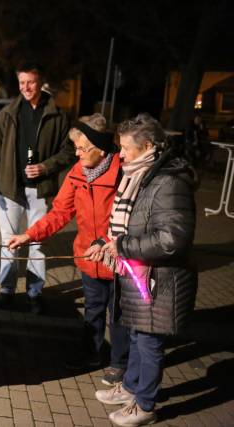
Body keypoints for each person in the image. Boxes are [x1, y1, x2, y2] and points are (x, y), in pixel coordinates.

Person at [91, 114, 197, 427]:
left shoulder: (168, 181)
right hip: (140, 273)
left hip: (159, 279)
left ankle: (145, 405)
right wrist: (108, 244)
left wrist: (122, 246)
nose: (120, 154)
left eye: (125, 148)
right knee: (137, 335)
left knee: (149, 343)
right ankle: (132, 388)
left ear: (147, 146)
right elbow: (132, 223)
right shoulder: (143, 174)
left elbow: (172, 239)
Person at [7, 114, 129, 379]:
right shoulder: (77, 173)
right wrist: (29, 235)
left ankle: (120, 364)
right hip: (88, 258)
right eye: (75, 147)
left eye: (82, 148)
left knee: (119, 315)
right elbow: (59, 213)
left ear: (100, 147)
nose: (76, 153)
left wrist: (113, 244)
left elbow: (132, 217)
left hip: (119, 259)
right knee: (93, 312)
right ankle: (92, 354)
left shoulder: (123, 171)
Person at [0, 62, 75, 313]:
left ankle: (34, 294)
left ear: (40, 83)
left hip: (41, 190)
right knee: (9, 242)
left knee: (37, 244)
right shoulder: (8, 114)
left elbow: (69, 152)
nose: (26, 87)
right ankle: (6, 291)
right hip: (9, 188)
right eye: (22, 82)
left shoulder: (57, 115)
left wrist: (46, 167)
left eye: (31, 82)